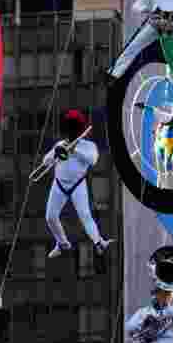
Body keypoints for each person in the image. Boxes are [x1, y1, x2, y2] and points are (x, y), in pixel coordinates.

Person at [41, 110, 113, 258]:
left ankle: (99, 242)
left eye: (73, 130)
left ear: (78, 130)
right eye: (68, 131)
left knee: (85, 215)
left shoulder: (88, 146)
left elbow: (93, 160)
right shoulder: (60, 144)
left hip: (77, 185)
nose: (70, 135)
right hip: (59, 185)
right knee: (50, 217)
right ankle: (62, 243)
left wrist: (75, 150)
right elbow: (45, 161)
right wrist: (56, 152)